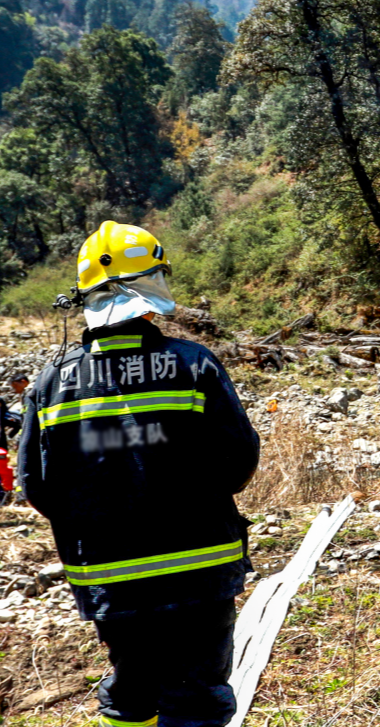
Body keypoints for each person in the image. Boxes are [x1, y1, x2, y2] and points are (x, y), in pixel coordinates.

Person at [19, 221, 260, 727]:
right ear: (152, 287)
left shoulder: (51, 384)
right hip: (202, 568)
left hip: (111, 578)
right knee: (196, 695)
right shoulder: (193, 365)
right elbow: (238, 461)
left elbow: (38, 486)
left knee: (130, 692)